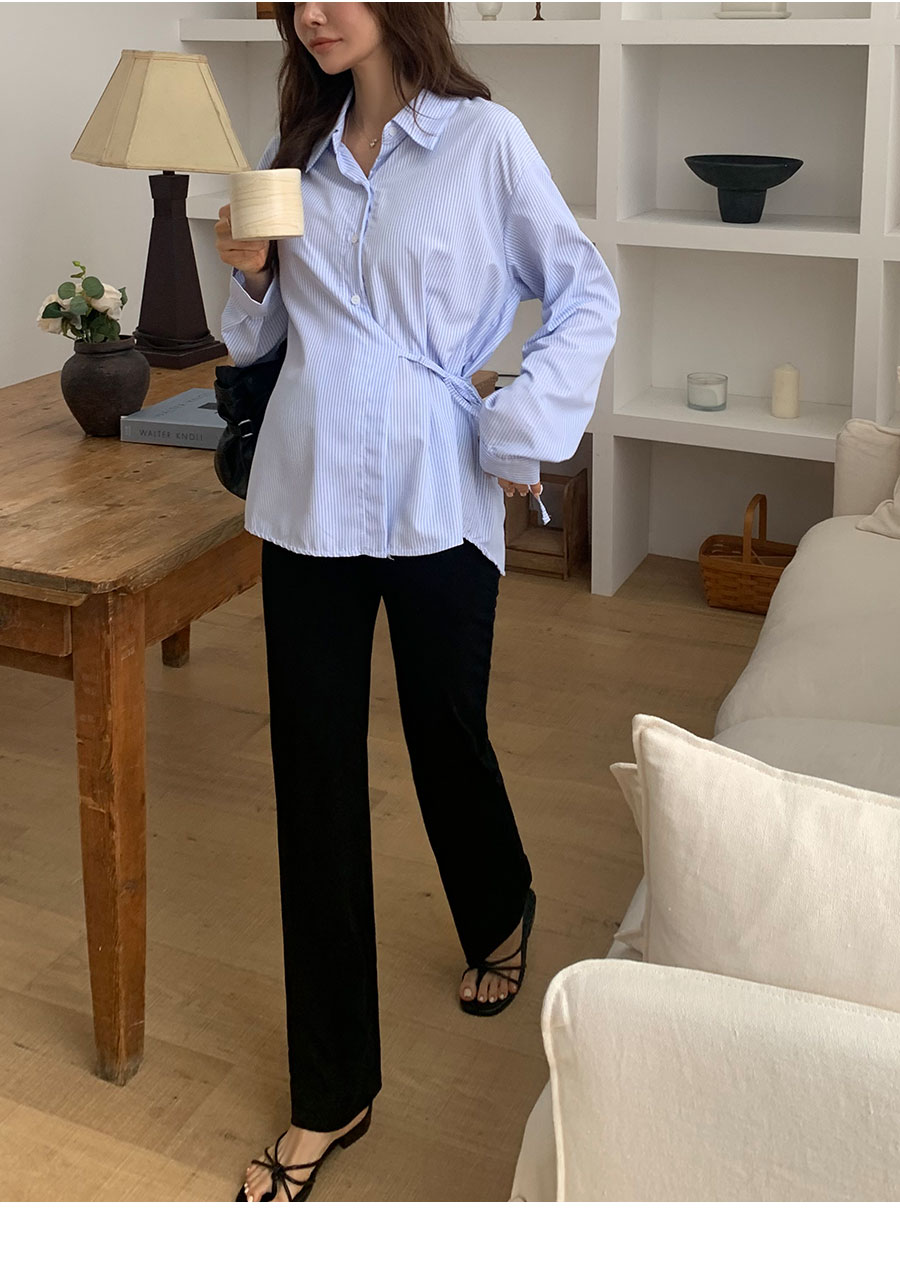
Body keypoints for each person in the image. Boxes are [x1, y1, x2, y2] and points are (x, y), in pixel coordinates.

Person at [215, 1, 620, 1203]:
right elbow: (259, 340)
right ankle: (330, 1088)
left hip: (440, 490)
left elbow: (584, 292)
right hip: (307, 497)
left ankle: (500, 905)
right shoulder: (293, 152)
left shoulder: (483, 142)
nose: (312, 13)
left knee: (446, 729)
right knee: (314, 780)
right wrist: (250, 277)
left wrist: (522, 423)